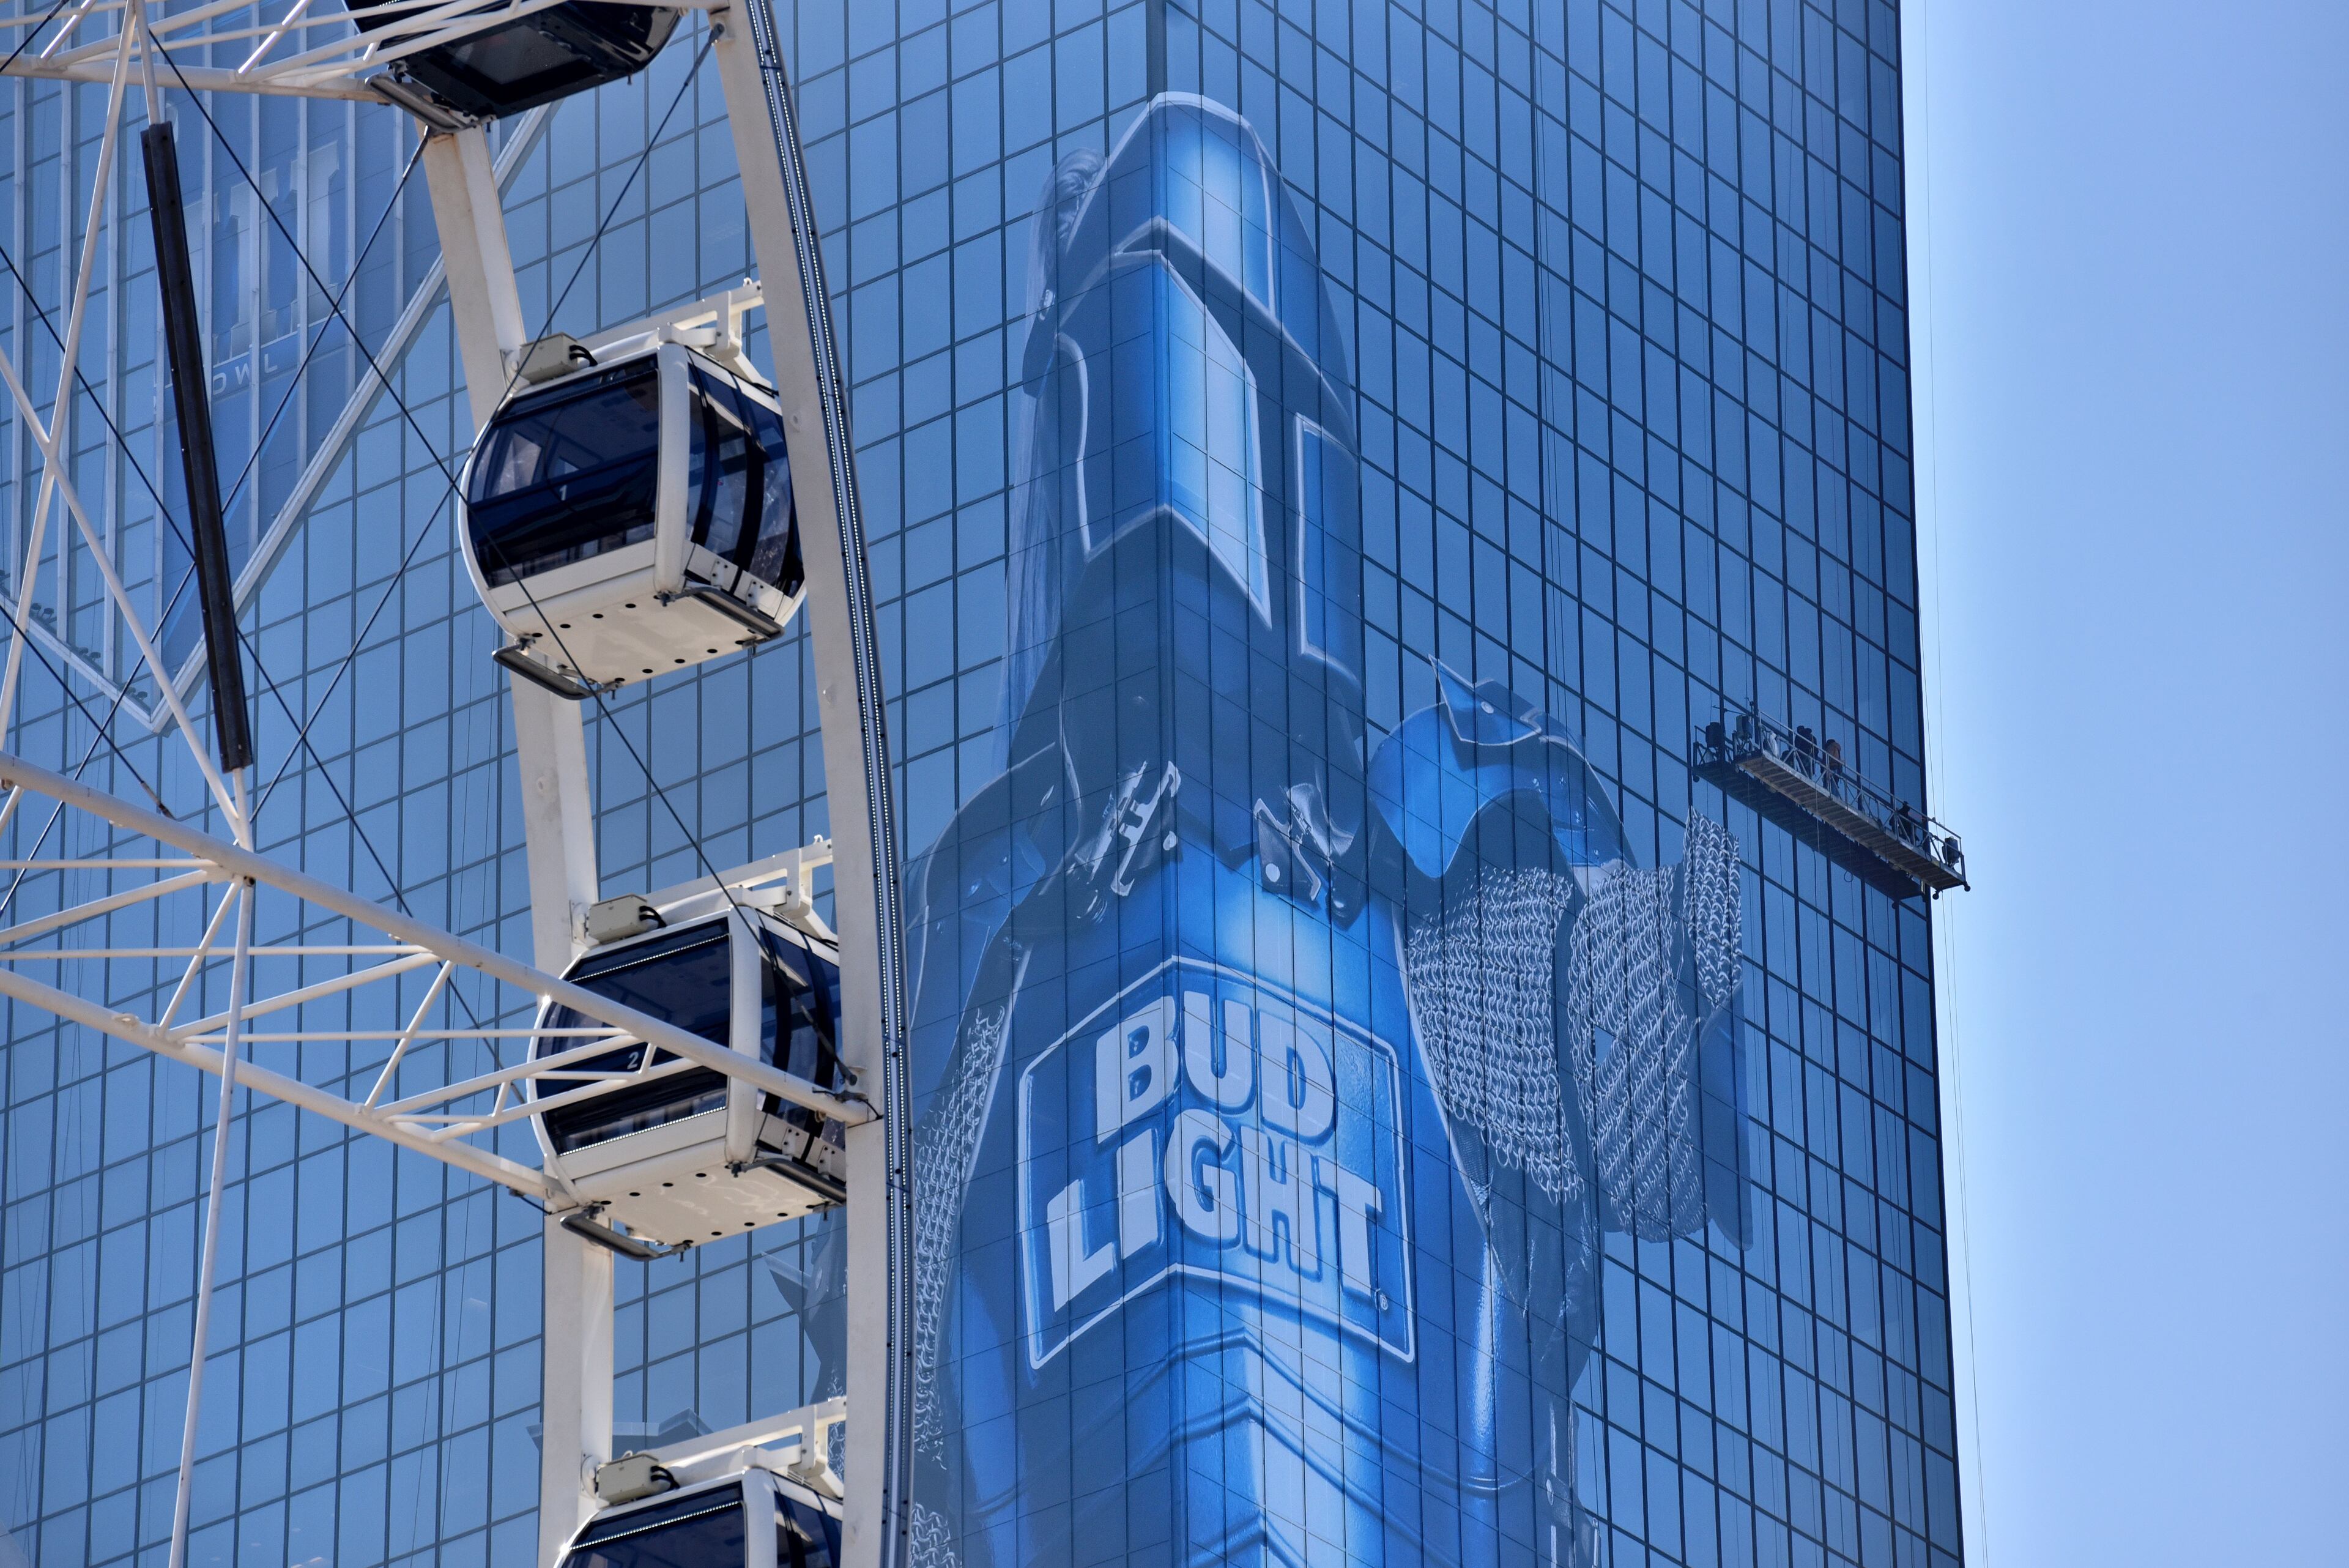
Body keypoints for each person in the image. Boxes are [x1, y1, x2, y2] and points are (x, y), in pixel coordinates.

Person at [889, 95, 1751, 1568]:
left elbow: (1678, 1125)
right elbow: (906, 1416)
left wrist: (1744, 848)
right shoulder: (981, 954)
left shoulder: (1450, 881)